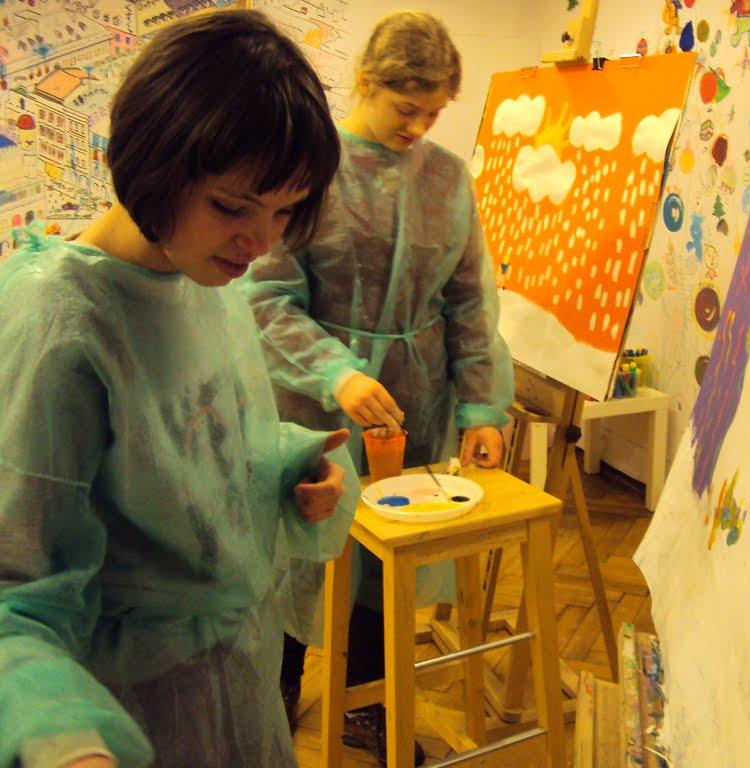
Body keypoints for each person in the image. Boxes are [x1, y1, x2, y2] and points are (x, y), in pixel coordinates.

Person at [0, 10, 357, 768]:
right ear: (154, 164)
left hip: (236, 679)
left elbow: (190, 442)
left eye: (285, 210)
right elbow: (14, 594)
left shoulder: (205, 279)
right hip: (125, 710)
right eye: (232, 206)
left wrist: (290, 467)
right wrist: (61, 737)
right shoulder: (60, 326)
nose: (261, 241)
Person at [239, 9, 514, 764]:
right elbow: (266, 298)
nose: (417, 128)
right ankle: (277, 689)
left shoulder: (447, 179)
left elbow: (469, 301)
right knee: (300, 549)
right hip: (312, 408)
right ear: (366, 82)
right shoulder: (310, 170)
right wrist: (337, 372)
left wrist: (482, 407)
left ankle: (367, 704)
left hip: (413, 404)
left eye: (434, 113)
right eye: (406, 107)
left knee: (385, 555)